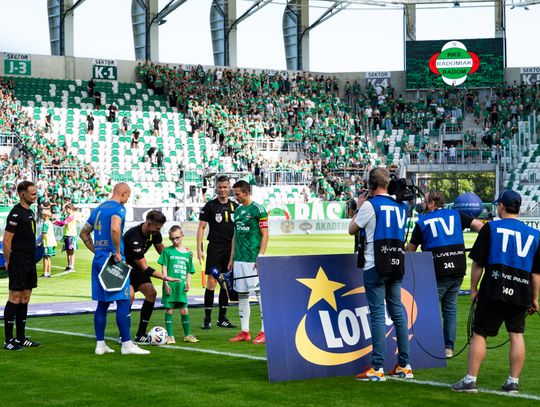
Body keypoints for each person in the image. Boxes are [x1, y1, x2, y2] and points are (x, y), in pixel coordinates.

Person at [452, 190, 540, 394]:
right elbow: (536, 273)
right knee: (516, 334)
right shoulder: (535, 234)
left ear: (501, 206)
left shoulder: (490, 228)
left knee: (480, 334)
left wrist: (473, 289)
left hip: (494, 287)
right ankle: (513, 382)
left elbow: (478, 264)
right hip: (522, 290)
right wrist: (534, 298)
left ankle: (470, 380)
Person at [348, 167, 413, 381]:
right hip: (396, 261)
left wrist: (358, 207)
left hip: (375, 264)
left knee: (377, 314)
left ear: (371, 184)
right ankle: (404, 365)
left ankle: (377, 367)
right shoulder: (402, 206)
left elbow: (351, 229)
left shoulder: (370, 205)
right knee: (398, 313)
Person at [407, 191, 484, 358]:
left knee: (426, 308)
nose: (423, 204)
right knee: (450, 309)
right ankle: (448, 347)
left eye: (425, 201)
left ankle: (425, 346)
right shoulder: (456, 214)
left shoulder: (422, 222)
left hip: (437, 270)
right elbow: (481, 227)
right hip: (458, 268)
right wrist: (482, 248)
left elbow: (410, 251)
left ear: (432, 203)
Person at [79, 182, 149, 355]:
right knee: (123, 301)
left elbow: (83, 233)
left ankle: (100, 345)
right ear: (123, 193)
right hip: (113, 261)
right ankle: (127, 344)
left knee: (102, 304)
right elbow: (115, 228)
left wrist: (97, 251)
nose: (127, 200)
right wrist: (117, 252)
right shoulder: (119, 209)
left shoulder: (98, 209)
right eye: (128, 196)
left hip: (99, 260)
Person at [123, 210, 176, 344]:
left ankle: (141, 334)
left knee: (151, 293)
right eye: (156, 228)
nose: (158, 230)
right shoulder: (134, 238)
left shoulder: (154, 233)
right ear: (148, 224)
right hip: (123, 269)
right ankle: (123, 335)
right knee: (129, 296)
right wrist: (164, 277)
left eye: (160, 228)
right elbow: (144, 268)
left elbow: (161, 250)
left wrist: (180, 255)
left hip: (136, 268)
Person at [228, 180, 269, 344]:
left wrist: (261, 256)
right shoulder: (237, 211)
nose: (235, 197)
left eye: (237, 194)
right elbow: (235, 236)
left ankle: (264, 331)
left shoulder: (258, 209)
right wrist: (231, 258)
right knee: (242, 294)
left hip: (253, 258)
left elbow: (265, 234)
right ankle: (245, 332)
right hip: (239, 259)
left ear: (246, 192)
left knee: (260, 294)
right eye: (234, 194)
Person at [3, 181, 42, 351]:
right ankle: (8, 340)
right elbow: (7, 241)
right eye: (32, 194)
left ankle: (21, 337)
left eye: (36, 193)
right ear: (22, 194)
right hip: (18, 260)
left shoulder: (30, 212)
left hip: (29, 260)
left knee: (25, 298)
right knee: (15, 298)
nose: (35, 196)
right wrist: (8, 261)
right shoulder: (15, 213)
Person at [197, 175, 238, 329]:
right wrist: (199, 249)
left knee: (226, 283)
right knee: (212, 281)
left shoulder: (235, 207)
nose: (222, 190)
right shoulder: (210, 206)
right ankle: (207, 318)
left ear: (229, 188)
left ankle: (222, 318)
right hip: (215, 247)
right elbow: (201, 227)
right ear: (216, 187)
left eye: (225, 187)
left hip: (230, 249)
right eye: (220, 187)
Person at [159, 225, 199, 344]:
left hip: (181, 287)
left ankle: (187, 335)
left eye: (177, 238)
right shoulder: (167, 251)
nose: (175, 240)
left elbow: (190, 270)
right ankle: (170, 336)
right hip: (170, 286)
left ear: (182, 236)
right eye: (172, 238)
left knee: (184, 310)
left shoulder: (188, 253)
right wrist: (166, 283)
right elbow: (164, 268)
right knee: (169, 309)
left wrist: (188, 283)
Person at [54, 203, 78, 272]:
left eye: (66, 209)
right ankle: (69, 265)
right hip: (67, 235)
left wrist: (55, 221)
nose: (66, 210)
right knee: (67, 251)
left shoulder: (71, 216)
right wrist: (55, 222)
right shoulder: (68, 216)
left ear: (70, 209)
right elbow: (62, 225)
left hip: (71, 235)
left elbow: (63, 223)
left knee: (71, 251)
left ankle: (71, 266)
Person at [41, 210, 57, 278]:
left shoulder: (45, 223)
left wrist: (40, 242)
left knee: (45, 258)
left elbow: (44, 234)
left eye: (42, 215)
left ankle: (45, 273)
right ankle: (49, 273)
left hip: (47, 243)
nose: (41, 216)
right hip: (52, 242)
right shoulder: (50, 222)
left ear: (45, 215)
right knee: (48, 258)